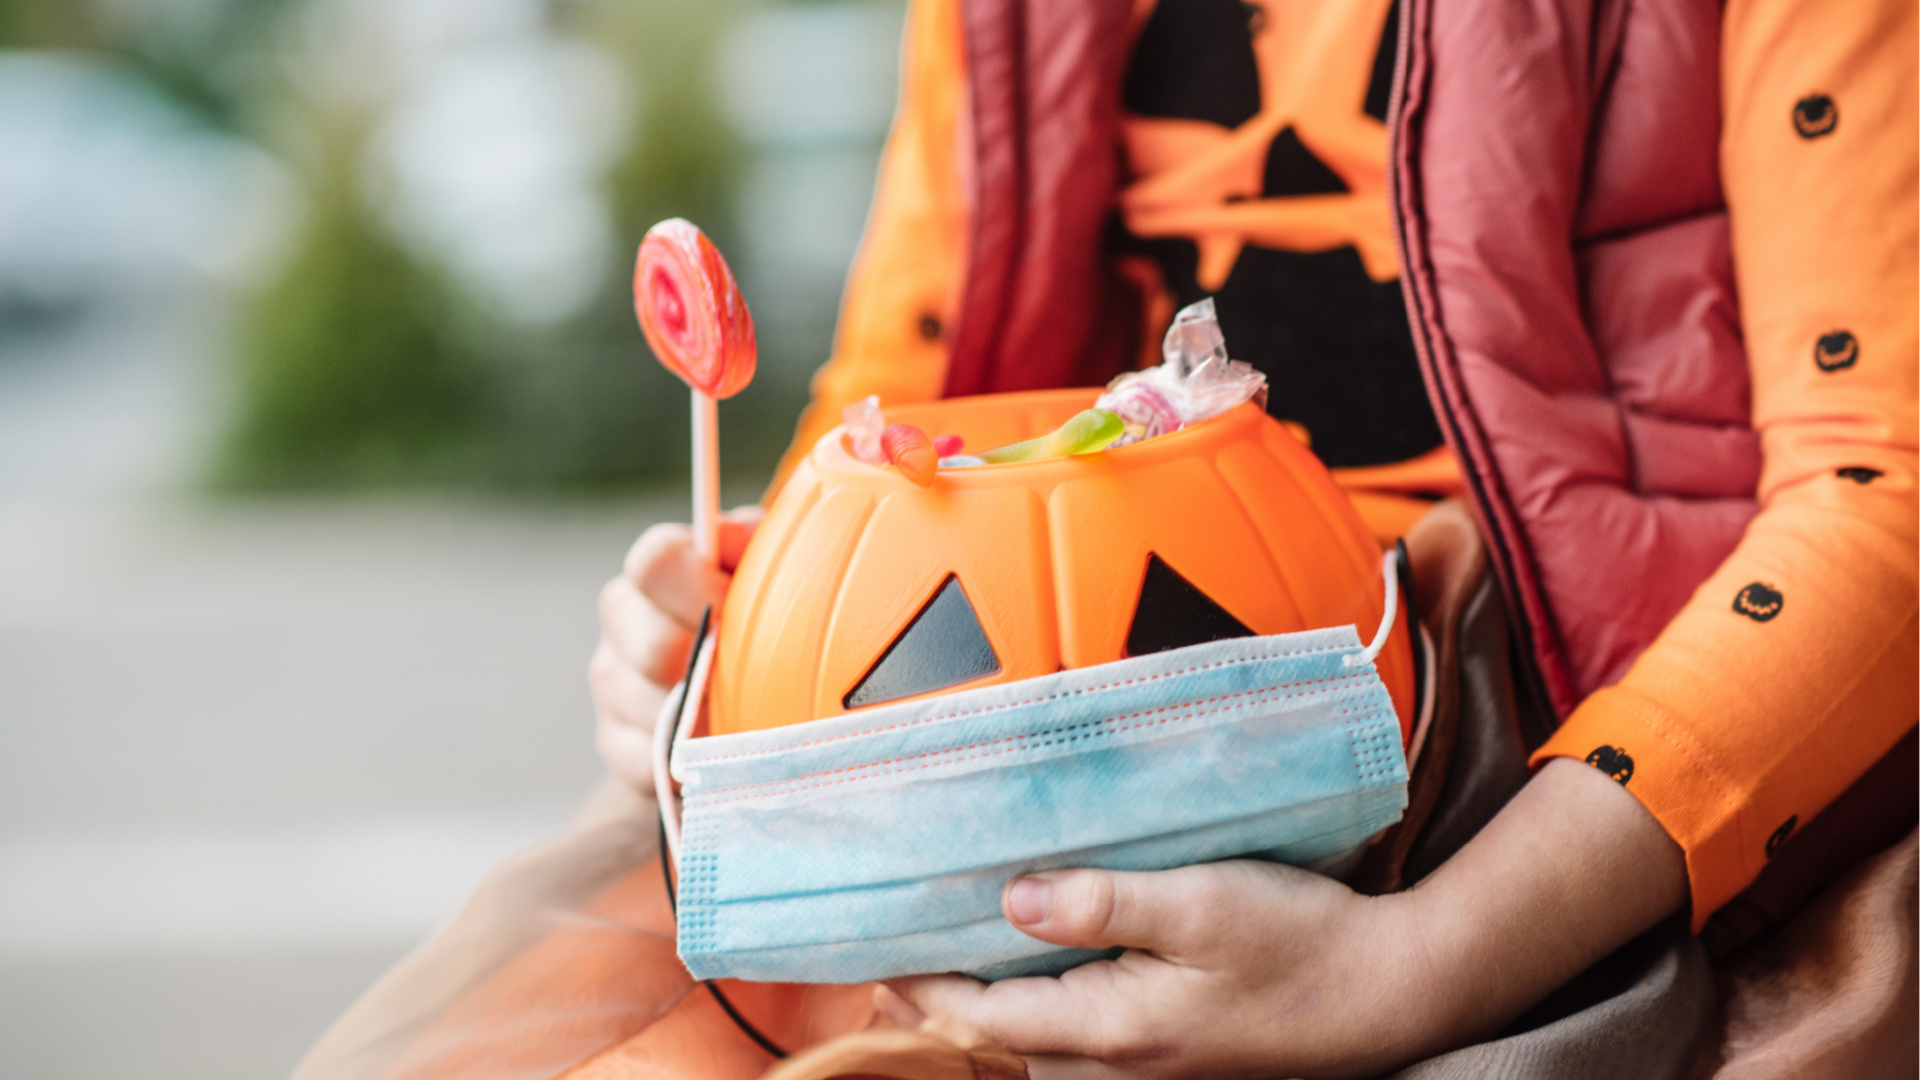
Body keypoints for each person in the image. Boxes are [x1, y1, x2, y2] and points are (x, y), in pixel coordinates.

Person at [296, 0, 1915, 1075]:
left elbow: (1886, 487)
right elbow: (910, 399)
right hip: (1021, 701)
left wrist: (1417, 968)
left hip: (1584, 742)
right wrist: (747, 621)